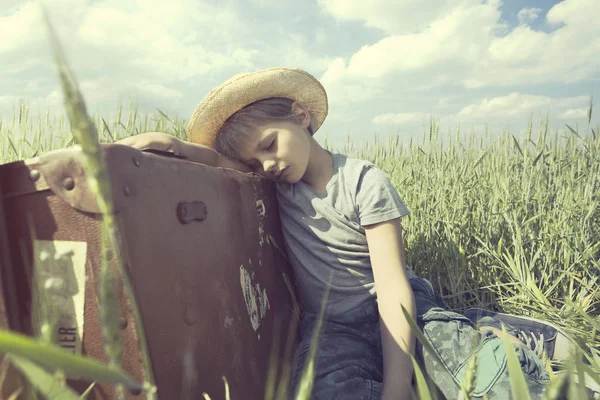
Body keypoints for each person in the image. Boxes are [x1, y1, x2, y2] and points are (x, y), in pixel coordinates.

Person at [118, 67, 573, 399]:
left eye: (270, 145)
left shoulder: (363, 182)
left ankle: (496, 331)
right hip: (332, 325)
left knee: (483, 380)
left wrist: (396, 389)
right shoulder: (275, 186)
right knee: (323, 391)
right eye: (256, 163)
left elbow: (393, 289)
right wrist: (172, 145)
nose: (268, 166)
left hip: (402, 308)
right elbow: (222, 166)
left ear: (300, 115)